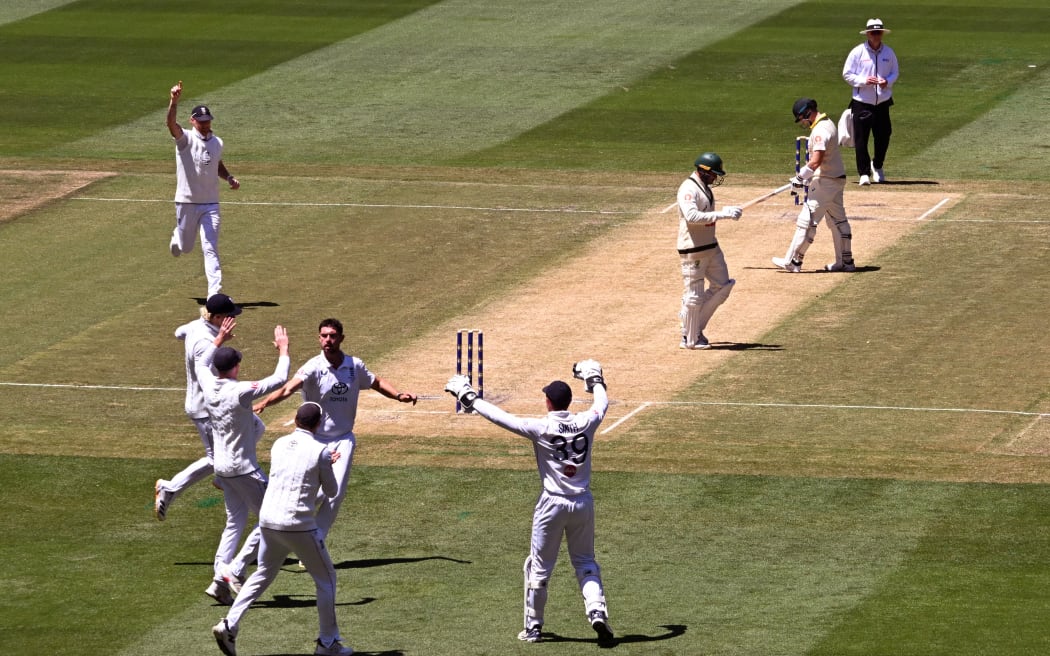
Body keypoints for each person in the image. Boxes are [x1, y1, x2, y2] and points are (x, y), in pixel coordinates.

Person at [445, 359, 615, 645]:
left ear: (549, 402)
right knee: (585, 562)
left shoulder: (541, 427)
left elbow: (501, 418)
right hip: (582, 502)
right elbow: (602, 402)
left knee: (538, 568)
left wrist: (468, 396)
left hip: (552, 504)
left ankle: (534, 627)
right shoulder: (587, 421)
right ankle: (596, 610)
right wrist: (595, 379)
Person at [253, 318, 418, 543]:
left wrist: (398, 395)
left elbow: (376, 382)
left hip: (343, 439)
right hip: (313, 440)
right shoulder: (313, 367)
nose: (328, 340)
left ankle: (315, 540)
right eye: (324, 336)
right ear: (319, 338)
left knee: (336, 493)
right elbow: (287, 389)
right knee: (307, 488)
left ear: (341, 337)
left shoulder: (354, 365)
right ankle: (282, 528)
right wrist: (264, 403)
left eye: (332, 336)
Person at [211, 402, 353, 656]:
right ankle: (328, 643)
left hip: (268, 521)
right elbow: (330, 492)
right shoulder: (321, 451)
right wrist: (327, 465)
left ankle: (229, 624)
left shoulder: (278, 445)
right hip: (298, 525)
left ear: (296, 421)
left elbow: (295, 472)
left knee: (263, 573)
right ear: (318, 424)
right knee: (326, 579)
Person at [197, 327, 291, 606]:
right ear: (236, 367)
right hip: (244, 469)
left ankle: (218, 581)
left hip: (223, 469)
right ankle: (233, 570)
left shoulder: (207, 381)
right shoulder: (239, 391)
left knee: (234, 521)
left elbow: (200, 363)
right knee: (272, 520)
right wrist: (283, 348)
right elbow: (279, 379)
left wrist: (218, 340)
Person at [155, 294, 242, 522]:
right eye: (229, 316)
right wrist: (220, 341)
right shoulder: (205, 341)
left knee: (249, 431)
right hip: (204, 407)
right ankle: (171, 487)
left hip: (202, 405)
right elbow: (205, 370)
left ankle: (219, 479)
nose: (233, 320)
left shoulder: (196, 326)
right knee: (215, 458)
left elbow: (178, 332)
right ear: (219, 318)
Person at [166, 80, 240, 297]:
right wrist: (173, 101)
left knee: (210, 248)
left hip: (211, 204)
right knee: (186, 247)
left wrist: (229, 178)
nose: (205, 124)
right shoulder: (185, 139)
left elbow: (217, 164)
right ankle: (177, 237)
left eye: (207, 121)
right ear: (192, 121)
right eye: (201, 121)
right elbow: (170, 124)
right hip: (187, 202)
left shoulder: (217, 142)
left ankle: (214, 293)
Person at [772, 98, 856, 273]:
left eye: (801, 118)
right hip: (836, 178)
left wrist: (799, 177)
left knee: (806, 221)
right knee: (838, 221)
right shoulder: (828, 123)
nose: (802, 122)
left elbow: (816, 160)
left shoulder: (819, 131)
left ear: (807, 113)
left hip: (825, 181)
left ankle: (793, 262)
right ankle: (845, 263)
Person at [675, 152, 742, 350]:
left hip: (711, 245)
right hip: (693, 249)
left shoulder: (704, 186)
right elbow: (692, 216)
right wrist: (723, 214)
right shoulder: (688, 188)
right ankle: (690, 338)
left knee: (723, 286)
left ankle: (689, 321)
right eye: (713, 173)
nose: (715, 177)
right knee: (693, 296)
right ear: (702, 171)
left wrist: (727, 212)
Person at [842, 19, 899, 185]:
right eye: (873, 33)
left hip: (882, 101)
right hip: (862, 102)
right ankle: (864, 173)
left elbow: (895, 72)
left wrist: (886, 81)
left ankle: (878, 165)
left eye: (878, 32)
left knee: (884, 135)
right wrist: (864, 81)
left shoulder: (889, 53)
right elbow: (847, 74)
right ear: (867, 34)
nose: (876, 35)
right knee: (861, 139)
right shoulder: (857, 52)